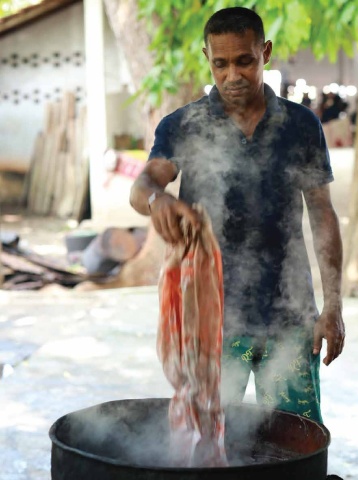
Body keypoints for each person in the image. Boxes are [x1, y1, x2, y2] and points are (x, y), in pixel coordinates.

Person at [130, 7, 345, 425]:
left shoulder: (300, 125)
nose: (233, 75)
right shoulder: (183, 125)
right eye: (221, 63)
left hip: (289, 315)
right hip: (211, 318)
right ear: (207, 58)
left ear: (266, 52)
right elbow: (143, 186)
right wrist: (158, 202)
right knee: (208, 438)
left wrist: (333, 306)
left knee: (293, 438)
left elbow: (322, 214)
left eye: (245, 61)